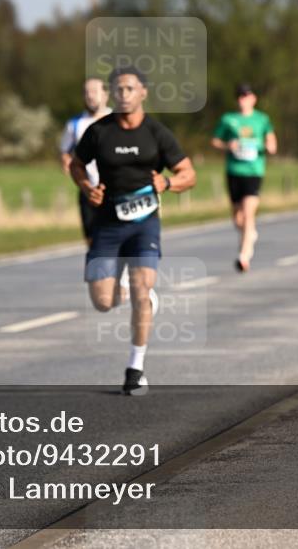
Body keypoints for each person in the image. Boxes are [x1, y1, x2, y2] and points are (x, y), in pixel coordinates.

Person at [70, 66, 196, 395]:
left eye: (130, 88)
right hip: (108, 224)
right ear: (112, 95)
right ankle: (125, 291)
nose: (124, 94)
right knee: (102, 301)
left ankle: (135, 369)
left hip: (144, 225)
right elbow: (76, 164)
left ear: (143, 92)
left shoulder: (156, 134)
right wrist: (86, 187)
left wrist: (167, 182)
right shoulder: (99, 132)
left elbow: (188, 173)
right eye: (118, 89)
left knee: (143, 290)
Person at [211, 83, 277, 271]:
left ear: (253, 99)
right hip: (234, 170)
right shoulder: (228, 119)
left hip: (254, 171)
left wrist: (270, 146)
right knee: (237, 217)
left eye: (246, 96)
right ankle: (250, 234)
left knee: (248, 213)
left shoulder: (262, 119)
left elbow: (271, 139)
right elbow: (215, 140)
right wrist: (227, 146)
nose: (243, 100)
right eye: (240, 96)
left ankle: (244, 255)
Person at [58, 77, 112, 244]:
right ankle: (99, 268)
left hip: (116, 188)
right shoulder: (74, 124)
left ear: (105, 95)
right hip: (88, 188)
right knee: (91, 239)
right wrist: (66, 161)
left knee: (116, 236)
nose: (90, 96)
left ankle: (119, 268)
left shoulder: (118, 119)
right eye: (86, 92)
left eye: (94, 91)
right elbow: (64, 150)